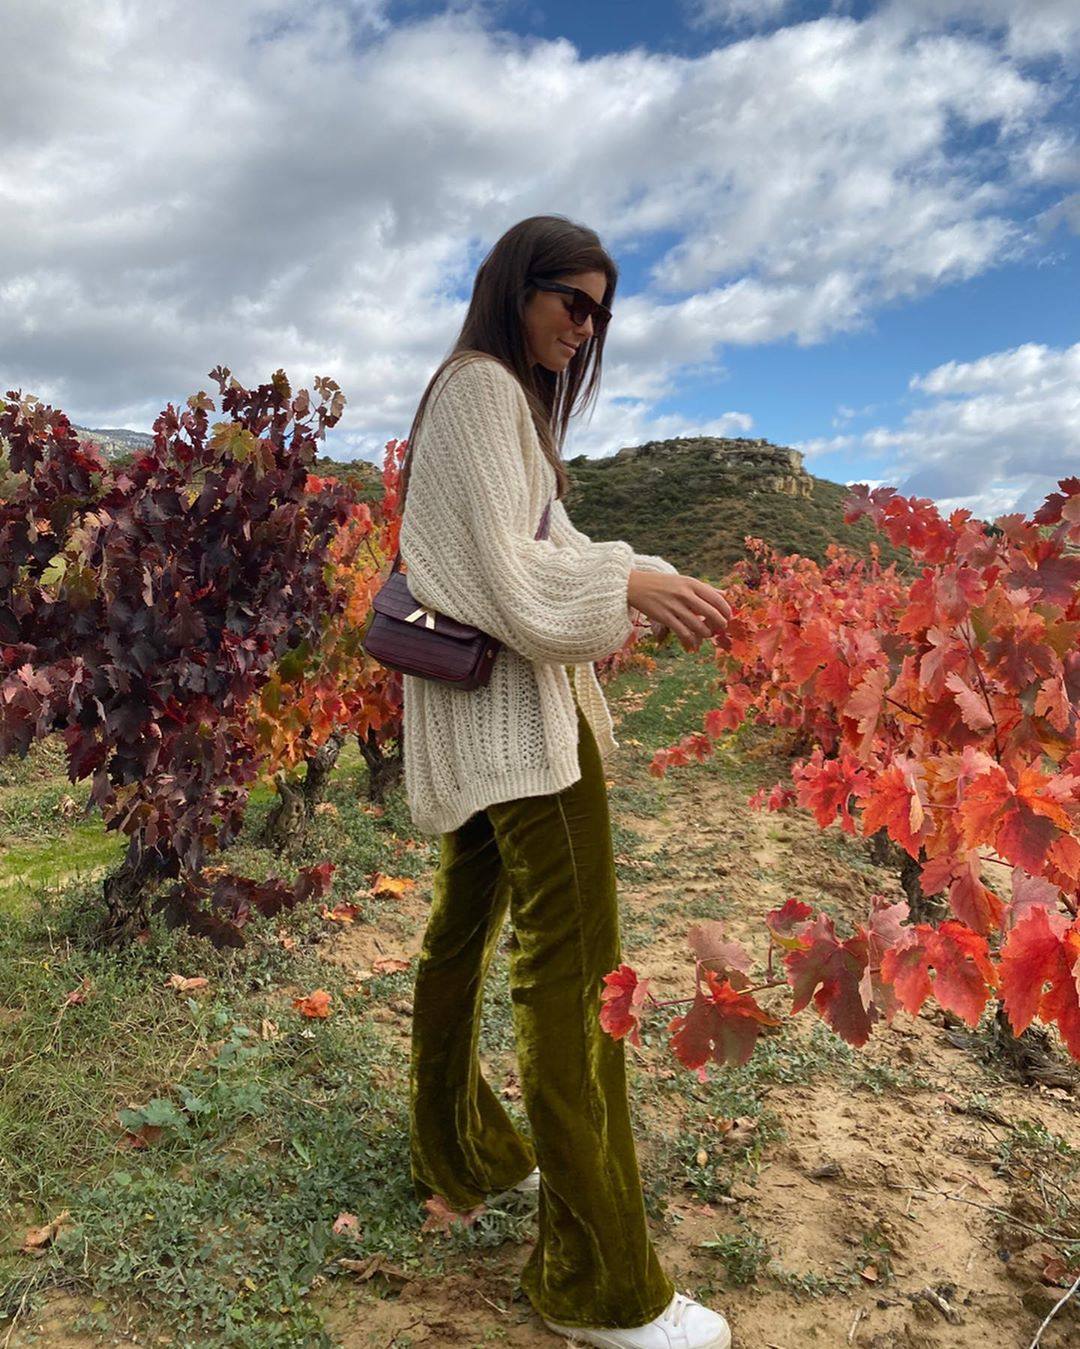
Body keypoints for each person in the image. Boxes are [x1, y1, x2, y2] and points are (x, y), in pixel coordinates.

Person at [397, 215, 734, 1349]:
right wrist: (627, 582)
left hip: (477, 727)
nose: (583, 327)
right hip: (525, 732)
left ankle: (460, 1149)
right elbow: (506, 572)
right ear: (516, 285)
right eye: (569, 300)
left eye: (598, 312)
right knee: (578, 975)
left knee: (462, 934)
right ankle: (601, 1286)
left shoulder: (475, 393)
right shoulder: (488, 392)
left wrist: (639, 575)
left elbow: (551, 545)